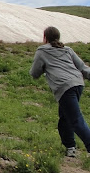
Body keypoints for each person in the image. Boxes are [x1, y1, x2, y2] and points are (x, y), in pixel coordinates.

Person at [30, 26, 90, 158]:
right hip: (78, 83)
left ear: (45, 38)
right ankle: (70, 147)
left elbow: (34, 73)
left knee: (76, 120)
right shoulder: (67, 49)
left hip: (64, 87)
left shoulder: (42, 51)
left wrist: (44, 69)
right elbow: (83, 68)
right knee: (65, 117)